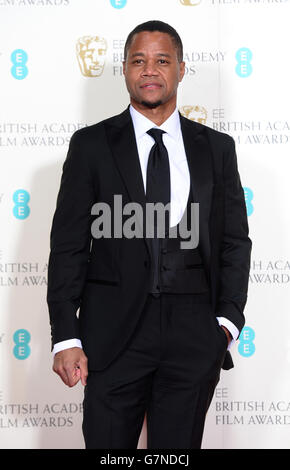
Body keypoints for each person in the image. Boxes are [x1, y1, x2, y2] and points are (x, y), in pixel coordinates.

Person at [47, 20, 251, 449]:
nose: (150, 70)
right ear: (124, 69)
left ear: (180, 69)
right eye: (139, 61)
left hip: (194, 336)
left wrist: (227, 323)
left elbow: (234, 241)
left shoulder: (217, 149)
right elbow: (68, 247)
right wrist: (66, 336)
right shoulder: (90, 146)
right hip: (112, 337)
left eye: (162, 60)